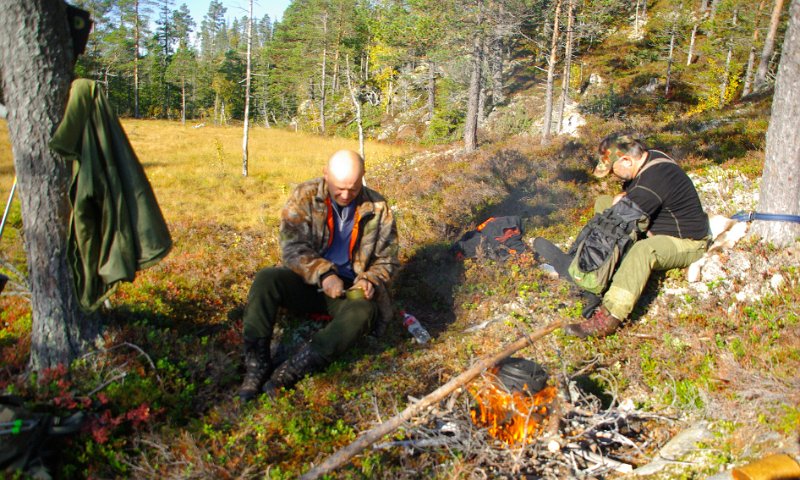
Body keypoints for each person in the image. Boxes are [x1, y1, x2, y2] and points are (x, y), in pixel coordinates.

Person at [238, 150, 399, 401]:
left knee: (363, 312)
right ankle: (256, 365)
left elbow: (387, 259)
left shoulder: (378, 208)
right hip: (306, 281)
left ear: (363, 178)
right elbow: (292, 248)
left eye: (353, 189)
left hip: (348, 290)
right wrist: (323, 273)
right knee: (266, 279)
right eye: (339, 188)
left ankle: (295, 369)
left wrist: (370, 279)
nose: (346, 195)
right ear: (326, 174)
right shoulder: (305, 196)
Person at [561, 134, 710, 338]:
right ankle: (600, 266)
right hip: (656, 229)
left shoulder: (652, 183)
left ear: (627, 160)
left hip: (687, 242)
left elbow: (619, 221)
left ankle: (609, 316)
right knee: (604, 202)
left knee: (643, 250)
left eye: (614, 170)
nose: (614, 176)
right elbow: (630, 201)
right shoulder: (651, 159)